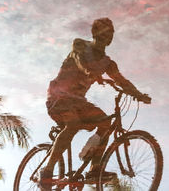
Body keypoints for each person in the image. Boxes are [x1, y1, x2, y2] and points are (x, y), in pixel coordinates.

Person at [40, 18, 150, 190]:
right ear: (94, 33)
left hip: (78, 102)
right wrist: (89, 71)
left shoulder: (108, 63)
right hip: (58, 97)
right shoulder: (80, 45)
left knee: (106, 122)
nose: (107, 35)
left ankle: (94, 169)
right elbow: (78, 60)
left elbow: (122, 81)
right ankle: (47, 170)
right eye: (104, 31)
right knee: (73, 124)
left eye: (110, 32)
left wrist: (139, 95)